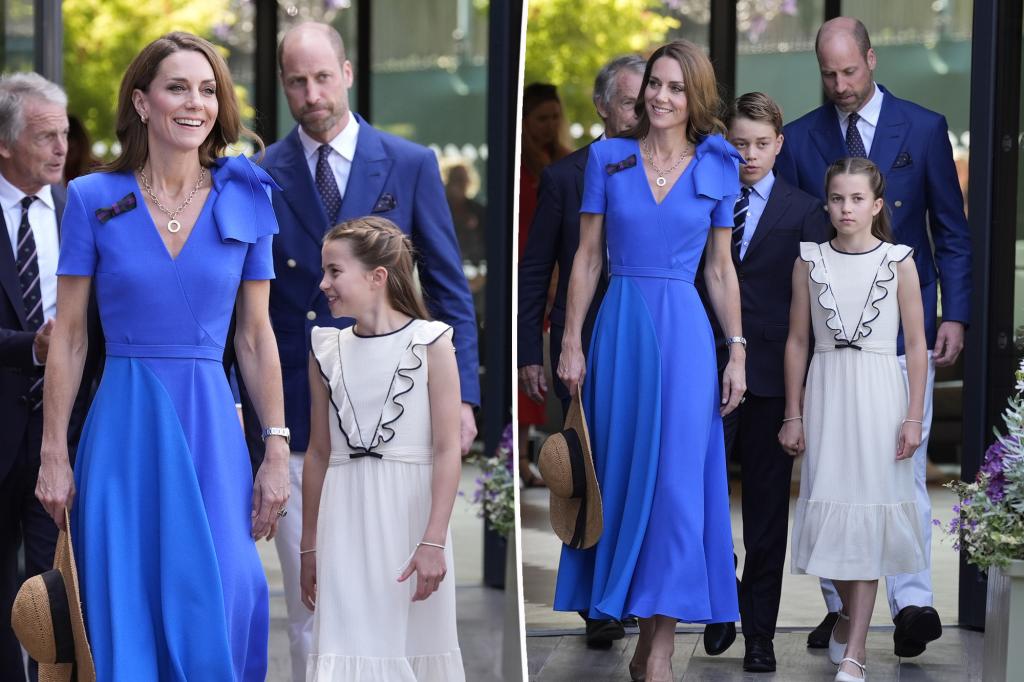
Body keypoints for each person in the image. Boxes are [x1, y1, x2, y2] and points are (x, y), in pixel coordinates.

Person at [35, 32, 289, 680]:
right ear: (143, 103)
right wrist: (54, 453)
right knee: (125, 606)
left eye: (208, 90)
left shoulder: (246, 193)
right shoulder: (92, 197)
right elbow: (69, 335)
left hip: (211, 427)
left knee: (233, 590)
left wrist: (277, 450)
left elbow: (255, 337)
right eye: (178, 87)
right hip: (122, 429)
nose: (195, 103)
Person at [257, 22, 480, 680]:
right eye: (297, 81)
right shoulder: (260, 174)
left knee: (404, 597)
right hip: (304, 406)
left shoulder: (408, 163)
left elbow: (447, 285)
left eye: (322, 77)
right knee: (317, 602)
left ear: (348, 73)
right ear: (283, 84)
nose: (311, 93)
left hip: (404, 402)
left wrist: (463, 394)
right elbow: (255, 307)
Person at [775, 17, 971, 657]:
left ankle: (912, 603)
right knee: (832, 478)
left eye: (849, 72)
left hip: (900, 334)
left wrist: (955, 314)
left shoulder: (923, 128)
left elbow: (951, 230)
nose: (840, 85)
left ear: (871, 59)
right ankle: (840, 612)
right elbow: (799, 244)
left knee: (900, 467)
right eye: (828, 74)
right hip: (832, 346)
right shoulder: (801, 138)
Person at [555, 41, 746, 682]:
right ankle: (638, 636)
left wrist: (737, 350)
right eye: (653, 86)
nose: (660, 98)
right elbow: (586, 257)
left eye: (675, 88)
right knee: (624, 479)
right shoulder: (608, 160)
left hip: (689, 338)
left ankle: (659, 651)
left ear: (696, 98)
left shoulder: (718, 164)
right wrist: (571, 339)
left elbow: (719, 270)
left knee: (676, 491)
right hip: (620, 333)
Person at [780, 157, 929, 681]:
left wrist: (914, 418)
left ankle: (855, 653)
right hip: (827, 395)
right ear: (828, 203)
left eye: (858, 199)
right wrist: (792, 413)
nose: (847, 208)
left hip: (879, 396)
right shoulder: (810, 260)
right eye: (838, 198)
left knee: (868, 517)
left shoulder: (899, 261)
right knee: (833, 517)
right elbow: (798, 341)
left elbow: (915, 345)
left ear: (877, 205)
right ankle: (847, 612)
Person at [697, 92, 831, 672]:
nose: (749, 155)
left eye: (760, 144)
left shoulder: (805, 210)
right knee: (704, 499)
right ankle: (719, 603)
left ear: (780, 144)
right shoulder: (708, 197)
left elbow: (810, 307)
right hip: (707, 367)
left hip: (776, 377)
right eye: (739, 144)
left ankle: (760, 633)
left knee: (768, 513)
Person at [517, 54, 645, 649]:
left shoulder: (673, 167)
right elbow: (537, 266)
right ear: (601, 107)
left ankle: (638, 588)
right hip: (586, 344)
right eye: (630, 102)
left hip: (653, 343)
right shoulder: (569, 175)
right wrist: (530, 352)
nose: (644, 111)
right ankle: (599, 603)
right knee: (594, 469)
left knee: (643, 466)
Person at [301, 217, 465, 681]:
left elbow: (448, 449)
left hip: (412, 525)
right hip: (344, 524)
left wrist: (433, 540)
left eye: (334, 271)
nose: (323, 284)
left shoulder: (431, 343)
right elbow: (318, 453)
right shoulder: (324, 349)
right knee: (346, 648)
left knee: (414, 649)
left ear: (378, 277)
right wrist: (308, 549)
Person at [0, 72, 101, 682]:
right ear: (5, 143)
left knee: (54, 589)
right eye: (45, 137)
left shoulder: (79, 208)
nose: (62, 148)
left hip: (62, 435)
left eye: (64, 134)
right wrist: (30, 348)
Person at [518, 82, 572, 487]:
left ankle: (525, 456)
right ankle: (517, 457)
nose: (549, 126)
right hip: (528, 277)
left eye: (555, 117)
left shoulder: (566, 163)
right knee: (526, 368)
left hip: (557, 277)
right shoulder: (521, 170)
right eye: (541, 118)